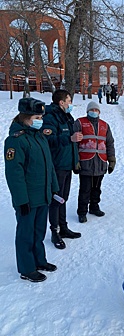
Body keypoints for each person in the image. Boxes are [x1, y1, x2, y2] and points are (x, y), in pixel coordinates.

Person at [4, 97, 59, 282]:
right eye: (37, 116)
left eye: (41, 116)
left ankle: (39, 260)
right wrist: (21, 200)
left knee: (39, 231)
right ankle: (27, 269)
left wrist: (53, 188)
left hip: (43, 195)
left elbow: (49, 165)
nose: (40, 120)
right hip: (27, 198)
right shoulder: (15, 141)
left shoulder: (39, 136)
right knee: (26, 234)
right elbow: (14, 174)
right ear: (26, 117)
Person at [42, 89, 82, 249]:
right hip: (57, 166)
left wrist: (75, 160)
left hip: (67, 165)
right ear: (61, 102)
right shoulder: (50, 117)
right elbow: (48, 139)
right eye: (69, 100)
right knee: (56, 199)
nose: (71, 104)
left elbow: (70, 140)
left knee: (63, 197)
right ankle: (54, 231)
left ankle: (63, 227)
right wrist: (69, 138)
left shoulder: (66, 116)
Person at [73, 101, 116, 223]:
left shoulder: (105, 125)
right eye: (92, 110)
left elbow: (110, 144)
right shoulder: (79, 123)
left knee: (97, 188)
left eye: (96, 110)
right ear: (87, 111)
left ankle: (94, 207)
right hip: (85, 162)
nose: (94, 112)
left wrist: (112, 160)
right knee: (85, 189)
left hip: (101, 162)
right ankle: (82, 212)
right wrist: (75, 161)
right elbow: (74, 144)